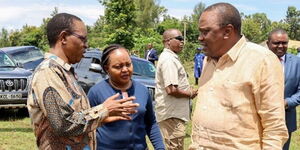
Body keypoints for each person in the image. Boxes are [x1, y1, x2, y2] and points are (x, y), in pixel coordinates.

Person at [27, 13, 138, 150]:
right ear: (63, 38)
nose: (86, 45)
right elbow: (63, 124)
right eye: (82, 39)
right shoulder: (48, 72)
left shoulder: (65, 72)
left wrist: (100, 120)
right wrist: (103, 110)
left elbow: (75, 118)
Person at [189, 3, 288, 150]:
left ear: (227, 31)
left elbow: (274, 127)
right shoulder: (207, 60)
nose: (200, 38)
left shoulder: (262, 60)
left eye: (205, 32)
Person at [88, 44, 165, 150]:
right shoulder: (96, 92)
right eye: (118, 66)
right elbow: (87, 127)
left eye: (128, 64)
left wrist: (160, 148)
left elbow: (151, 122)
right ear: (107, 69)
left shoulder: (142, 90)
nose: (125, 69)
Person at [155, 29, 198, 150]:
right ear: (168, 41)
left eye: (182, 39)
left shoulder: (171, 57)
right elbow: (171, 90)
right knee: (175, 147)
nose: (182, 42)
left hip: (174, 113)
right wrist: (189, 93)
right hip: (171, 114)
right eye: (179, 39)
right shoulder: (169, 60)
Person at [267, 28, 300, 150]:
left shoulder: (297, 63)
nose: (280, 46)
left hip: (285, 119)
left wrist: (286, 103)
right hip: (258, 121)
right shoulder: (256, 61)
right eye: (276, 43)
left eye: (284, 43)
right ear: (268, 43)